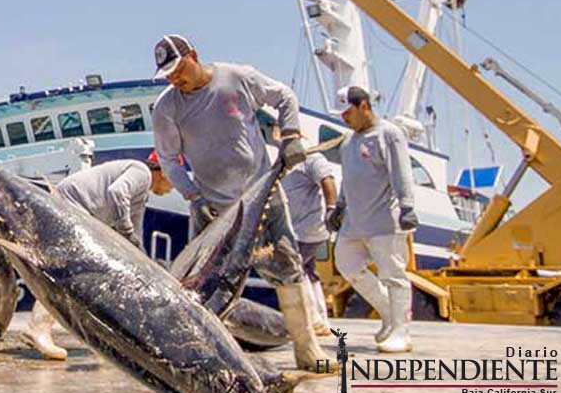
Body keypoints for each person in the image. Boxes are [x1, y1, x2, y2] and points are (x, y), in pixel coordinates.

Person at [150, 34, 332, 372]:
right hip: (215, 211)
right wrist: (193, 196)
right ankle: (207, 354)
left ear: (193, 55)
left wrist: (291, 136)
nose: (175, 79)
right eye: (168, 75)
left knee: (289, 266)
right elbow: (169, 160)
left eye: (178, 69)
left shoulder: (237, 78)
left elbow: (285, 97)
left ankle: (308, 350)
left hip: (263, 195)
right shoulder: (167, 108)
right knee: (206, 284)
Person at [21, 155, 174, 360]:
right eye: (175, 178)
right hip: (72, 204)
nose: (175, 188)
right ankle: (38, 329)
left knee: (88, 275)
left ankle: (93, 332)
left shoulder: (141, 193)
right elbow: (117, 193)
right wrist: (126, 231)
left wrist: (141, 261)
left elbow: (134, 236)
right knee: (70, 272)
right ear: (164, 172)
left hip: (81, 210)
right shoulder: (141, 172)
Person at [327, 85, 419, 353]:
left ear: (364, 105)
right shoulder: (348, 142)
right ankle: (389, 314)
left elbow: (401, 172)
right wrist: (339, 206)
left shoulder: (389, 134)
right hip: (354, 222)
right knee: (346, 264)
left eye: (348, 112)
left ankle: (402, 331)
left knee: (394, 275)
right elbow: (348, 178)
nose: (344, 118)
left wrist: (407, 206)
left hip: (384, 220)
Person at [281, 151, 337, 336]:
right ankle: (321, 320)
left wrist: (331, 209)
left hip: (307, 227)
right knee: (308, 271)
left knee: (296, 269)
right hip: (294, 228)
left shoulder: (312, 158)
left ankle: (314, 320)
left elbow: (327, 180)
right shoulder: (285, 161)